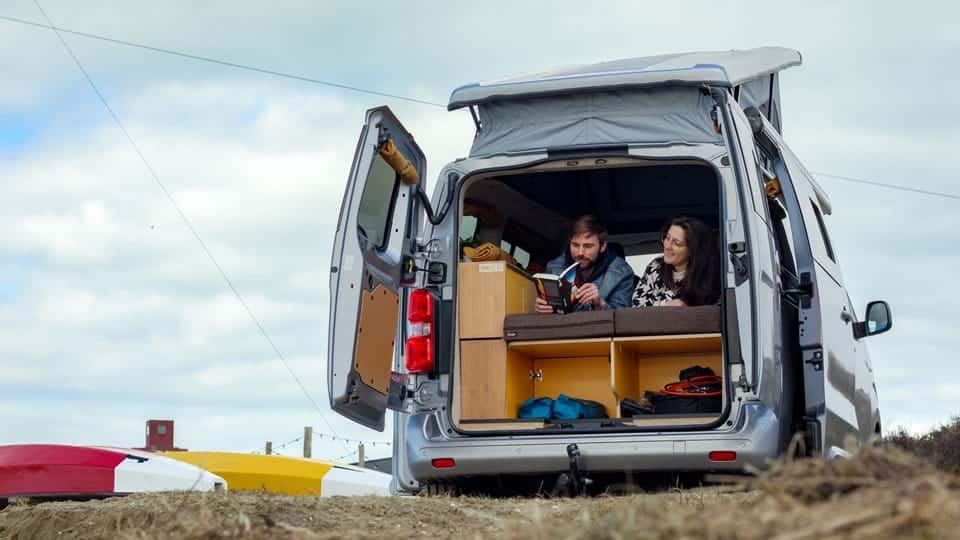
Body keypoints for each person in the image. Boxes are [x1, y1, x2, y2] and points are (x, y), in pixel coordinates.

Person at [535, 215, 634, 313]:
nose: (580, 253)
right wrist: (541, 309)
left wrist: (599, 303)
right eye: (575, 245)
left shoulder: (621, 273)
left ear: (603, 246)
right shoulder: (553, 267)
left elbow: (623, 320)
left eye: (588, 246)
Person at [632, 217, 720, 307]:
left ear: (693, 250)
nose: (667, 246)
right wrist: (664, 305)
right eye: (667, 238)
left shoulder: (713, 276)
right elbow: (637, 306)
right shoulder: (655, 267)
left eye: (676, 243)